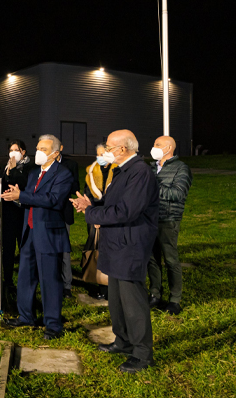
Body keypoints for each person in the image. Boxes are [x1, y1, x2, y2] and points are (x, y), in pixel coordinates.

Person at [70, 129, 159, 373]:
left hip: (130, 246)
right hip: (117, 244)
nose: (105, 151)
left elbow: (126, 211)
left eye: (109, 147)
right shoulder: (122, 171)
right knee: (117, 301)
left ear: (122, 149)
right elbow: (115, 204)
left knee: (133, 303)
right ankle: (123, 341)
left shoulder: (139, 172)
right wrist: (92, 205)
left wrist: (92, 213)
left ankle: (142, 355)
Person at [1, 135, 74, 340]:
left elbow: (53, 200)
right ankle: (26, 316)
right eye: (38, 147)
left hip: (48, 234)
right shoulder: (34, 173)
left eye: (44, 149)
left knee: (49, 280)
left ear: (55, 153)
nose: (39, 151)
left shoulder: (63, 174)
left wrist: (22, 196)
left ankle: (53, 325)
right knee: (25, 276)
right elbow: (30, 199)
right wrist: (17, 197)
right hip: (30, 232)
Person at [147, 135, 193, 315]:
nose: (154, 147)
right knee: (151, 259)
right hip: (148, 219)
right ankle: (155, 294)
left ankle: (175, 299)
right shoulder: (151, 168)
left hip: (168, 219)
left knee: (170, 259)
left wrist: (152, 188)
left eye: (157, 144)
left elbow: (178, 194)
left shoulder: (181, 168)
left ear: (169, 148)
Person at [0, 139, 35, 309]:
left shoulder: (30, 167)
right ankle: (8, 281)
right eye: (11, 150)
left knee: (24, 249)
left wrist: (13, 170)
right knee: (7, 249)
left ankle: (25, 281)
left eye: (16, 150)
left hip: (22, 214)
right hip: (8, 215)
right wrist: (8, 171)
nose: (13, 153)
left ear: (23, 152)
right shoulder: (5, 167)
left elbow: (25, 184)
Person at [81, 143, 116, 300]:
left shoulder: (118, 170)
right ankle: (102, 287)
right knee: (98, 251)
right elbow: (87, 195)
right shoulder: (90, 171)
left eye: (103, 153)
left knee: (112, 253)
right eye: (98, 154)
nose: (100, 157)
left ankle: (113, 287)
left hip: (112, 217)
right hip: (95, 216)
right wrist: (95, 217)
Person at [56, 141, 80, 299]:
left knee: (64, 250)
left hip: (64, 212)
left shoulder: (70, 165)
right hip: (47, 213)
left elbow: (75, 186)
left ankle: (66, 286)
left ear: (60, 148)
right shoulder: (41, 166)